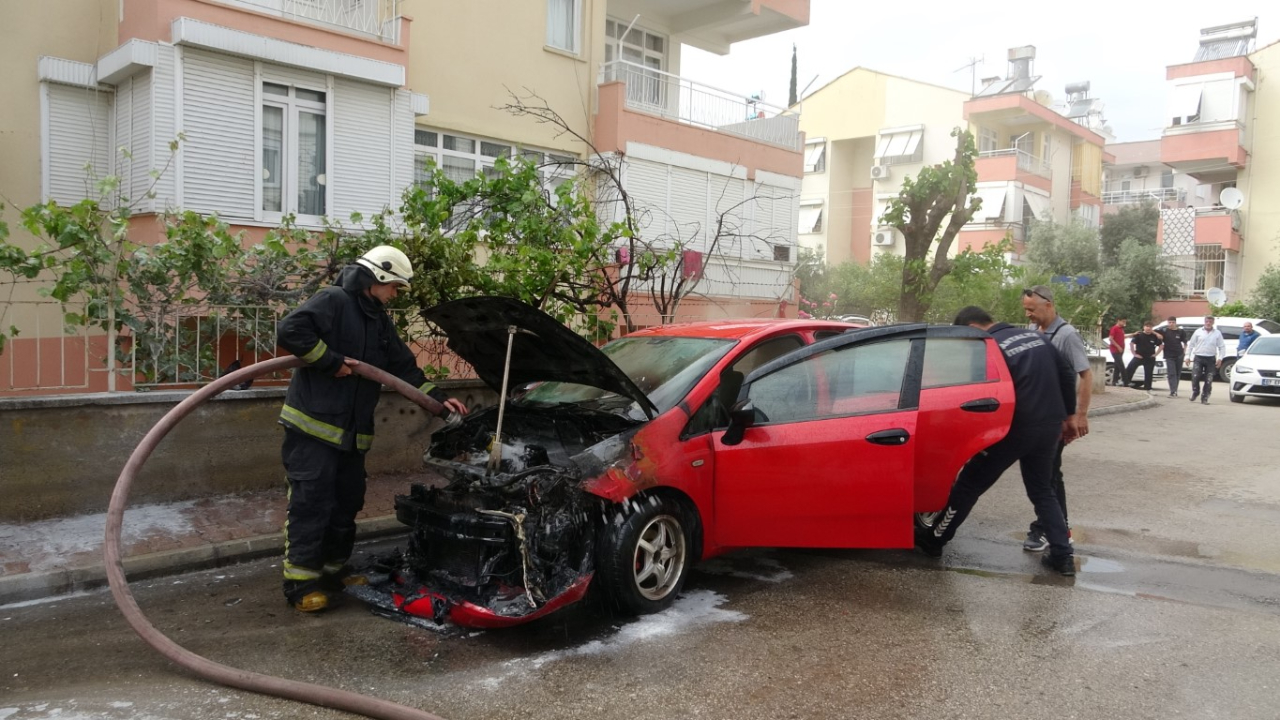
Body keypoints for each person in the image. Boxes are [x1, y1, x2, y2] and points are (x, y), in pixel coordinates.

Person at [276, 246, 469, 612]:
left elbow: (403, 369)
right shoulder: (333, 300)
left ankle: (333, 571)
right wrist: (330, 362)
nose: (395, 294)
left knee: (346, 503)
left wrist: (439, 399)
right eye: (394, 286)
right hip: (313, 430)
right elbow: (290, 330)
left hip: (351, 435)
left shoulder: (378, 321)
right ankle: (300, 585)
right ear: (377, 277)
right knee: (310, 504)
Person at [915, 306, 1079, 576]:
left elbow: (979, 392)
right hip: (1049, 427)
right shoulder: (1037, 338)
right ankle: (1063, 556)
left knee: (969, 483)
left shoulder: (989, 347)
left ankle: (934, 541)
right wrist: (1069, 415)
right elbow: (1067, 374)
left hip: (1012, 428)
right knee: (1042, 490)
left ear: (971, 327)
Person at [1019, 285, 1092, 552]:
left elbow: (1086, 375)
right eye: (1025, 309)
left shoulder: (1067, 335)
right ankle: (1057, 528)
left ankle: (1049, 528)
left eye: (1032, 309)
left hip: (1056, 418)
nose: (1028, 314)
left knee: (1046, 476)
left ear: (1049, 304)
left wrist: (1080, 416)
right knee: (1048, 475)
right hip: (1034, 417)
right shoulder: (1030, 333)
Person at [1186, 315, 1226, 405]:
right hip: (1199, 357)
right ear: (1204, 322)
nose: (1208, 323)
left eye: (1210, 322)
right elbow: (1191, 345)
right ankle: (1195, 392)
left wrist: (1220, 358)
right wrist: (1187, 357)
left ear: (1213, 323)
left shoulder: (1217, 333)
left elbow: (1221, 346)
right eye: (1207, 321)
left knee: (1209, 379)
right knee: (1195, 376)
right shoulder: (1198, 332)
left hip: (1210, 358)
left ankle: (1205, 397)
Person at [1123, 320, 1163, 391]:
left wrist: (1156, 354)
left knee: (1149, 373)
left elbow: (1161, 345)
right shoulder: (1139, 335)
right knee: (1130, 368)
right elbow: (1131, 344)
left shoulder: (1154, 336)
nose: (1148, 328)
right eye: (1147, 326)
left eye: (1150, 327)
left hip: (1150, 357)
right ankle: (1125, 383)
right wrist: (1134, 354)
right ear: (1144, 327)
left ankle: (1148, 388)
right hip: (1139, 356)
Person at [1156, 316, 1188, 397]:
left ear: (1175, 323)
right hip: (1169, 355)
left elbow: (1185, 342)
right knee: (1171, 373)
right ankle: (1173, 391)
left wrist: (1184, 352)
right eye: (1169, 322)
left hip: (1179, 354)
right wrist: (1157, 334)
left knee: (1177, 373)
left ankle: (1174, 390)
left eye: (1173, 322)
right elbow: (1152, 331)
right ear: (1167, 323)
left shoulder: (1180, 331)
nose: (1171, 324)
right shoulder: (1164, 331)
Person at [1107, 317, 1128, 386]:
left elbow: (1123, 336)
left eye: (1125, 322)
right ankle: (1125, 381)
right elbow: (1111, 338)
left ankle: (1114, 381)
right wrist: (1118, 346)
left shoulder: (1121, 329)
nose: (1124, 323)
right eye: (1123, 322)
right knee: (1121, 365)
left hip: (1121, 350)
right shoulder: (1114, 328)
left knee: (1117, 365)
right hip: (1115, 350)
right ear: (1118, 321)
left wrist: (1133, 334)